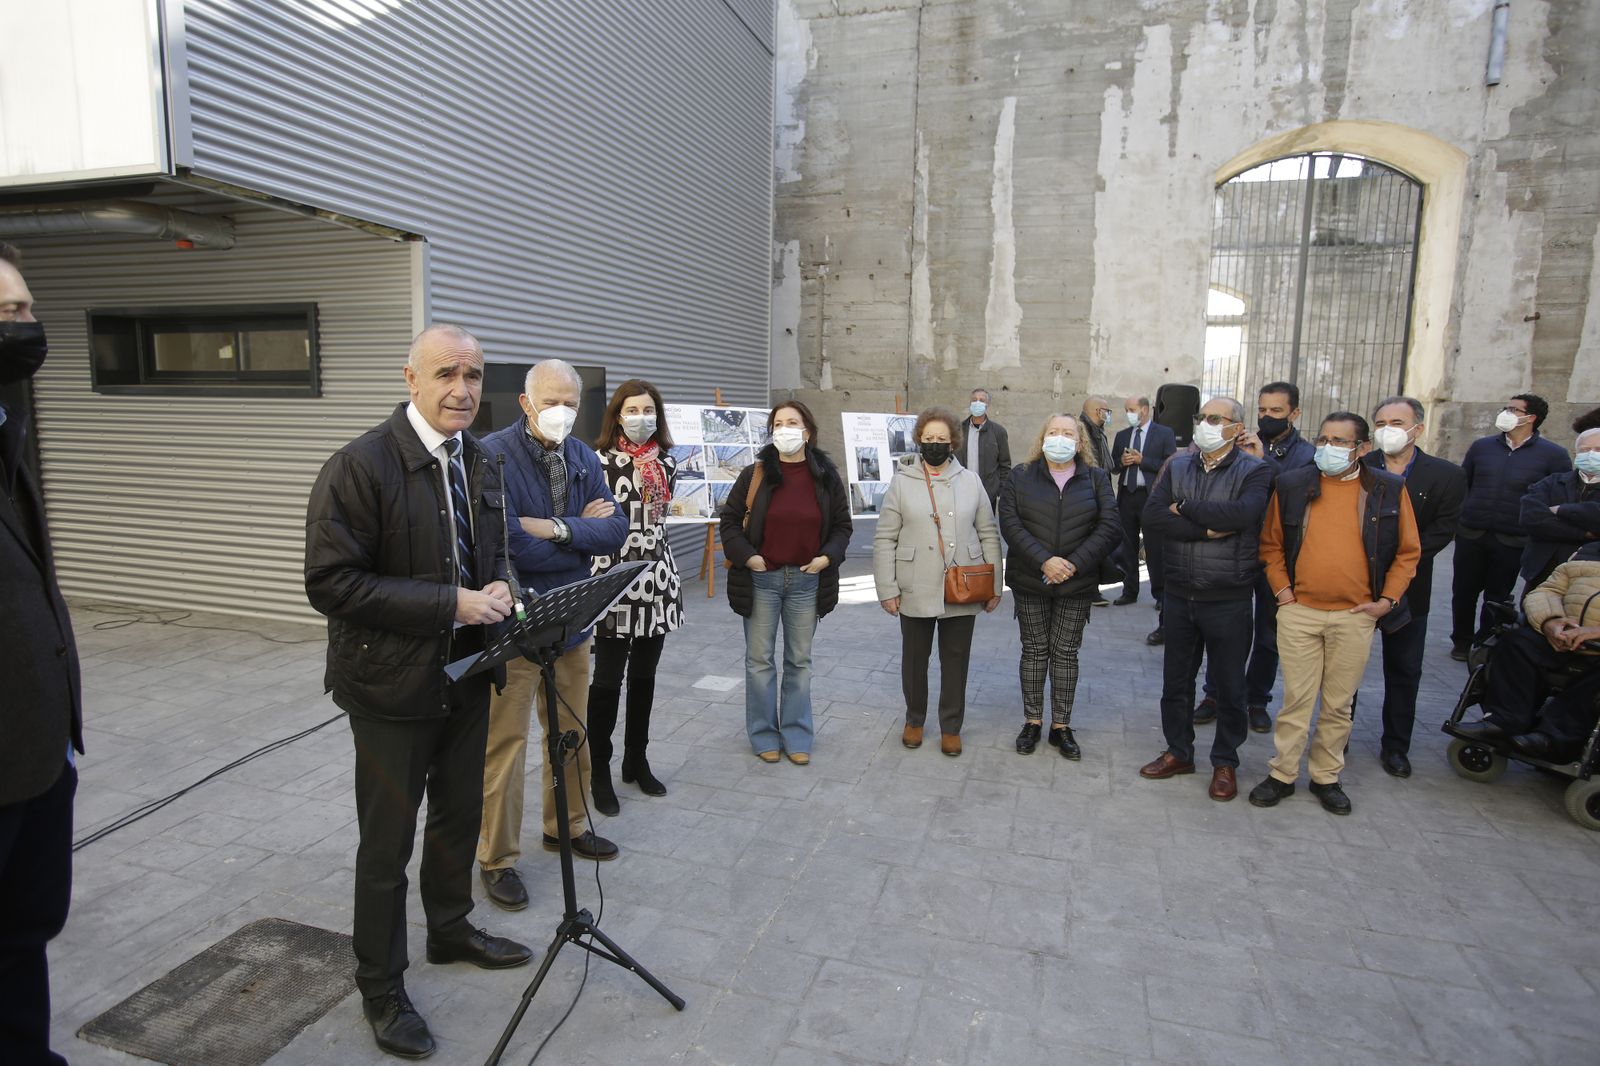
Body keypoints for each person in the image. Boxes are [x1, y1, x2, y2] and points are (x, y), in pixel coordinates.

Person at [305, 324, 532, 1059]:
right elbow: (332, 583)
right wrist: (451, 604)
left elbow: (495, 551)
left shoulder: (481, 460)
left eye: (472, 375)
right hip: (389, 690)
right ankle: (381, 985)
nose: (462, 389)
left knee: (458, 817)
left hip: (469, 675)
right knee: (387, 844)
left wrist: (502, 587)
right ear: (410, 378)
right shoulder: (360, 467)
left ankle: (450, 929)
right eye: (445, 374)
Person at [478, 359, 629, 900]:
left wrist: (556, 527)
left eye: (571, 402)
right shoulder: (492, 455)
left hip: (572, 618)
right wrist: (576, 533)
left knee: (571, 730)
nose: (562, 413)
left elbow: (614, 530)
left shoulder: (584, 456)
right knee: (507, 743)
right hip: (515, 623)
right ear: (526, 403)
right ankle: (496, 858)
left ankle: (566, 827)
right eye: (551, 402)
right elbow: (501, 541)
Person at [1249, 413, 1420, 816]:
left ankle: (1326, 776)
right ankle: (1282, 774)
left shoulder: (1387, 489)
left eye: (1340, 442)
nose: (1328, 448)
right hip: (1300, 612)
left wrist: (1386, 602)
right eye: (1324, 439)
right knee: (1296, 701)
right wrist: (1283, 592)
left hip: (1355, 615)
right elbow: (1271, 544)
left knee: (1339, 704)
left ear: (1362, 449)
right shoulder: (1292, 485)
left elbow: (1408, 552)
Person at [0, 245, 82, 1066]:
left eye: (24, 309)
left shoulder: (13, 423)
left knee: (26, 933)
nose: (25, 327)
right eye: (5, 314)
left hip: (38, 749)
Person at [1137, 397, 1273, 800]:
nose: (1205, 424)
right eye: (1202, 417)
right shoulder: (1178, 465)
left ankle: (1225, 762)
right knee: (1175, 682)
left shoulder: (1255, 470)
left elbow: (1242, 516)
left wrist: (1187, 508)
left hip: (1228, 596)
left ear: (1237, 427)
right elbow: (1153, 516)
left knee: (1231, 686)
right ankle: (1178, 751)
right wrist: (1204, 528)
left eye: (1216, 418)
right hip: (1179, 593)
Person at [720, 401, 852, 764]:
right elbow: (730, 522)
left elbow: (842, 525)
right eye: (778, 423)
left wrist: (827, 557)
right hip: (763, 580)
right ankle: (763, 734)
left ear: (807, 430)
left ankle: (796, 734)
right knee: (760, 661)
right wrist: (750, 556)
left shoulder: (825, 476)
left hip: (807, 582)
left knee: (799, 662)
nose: (785, 429)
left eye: (792, 422)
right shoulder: (755, 474)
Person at [875, 408, 1004, 757]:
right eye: (928, 439)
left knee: (956, 659)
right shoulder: (902, 481)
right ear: (919, 440)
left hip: (962, 585)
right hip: (914, 584)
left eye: (941, 439)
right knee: (914, 659)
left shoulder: (971, 481)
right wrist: (887, 588)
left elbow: (989, 533)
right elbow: (885, 537)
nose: (934, 444)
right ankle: (914, 719)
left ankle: (951, 726)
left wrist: (995, 584)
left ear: (953, 443)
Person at [1195, 381, 1318, 733]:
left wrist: (1262, 464)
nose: (1267, 417)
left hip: (1276, 554)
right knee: (1224, 628)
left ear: (1294, 414)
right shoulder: (1237, 442)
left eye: (1276, 411)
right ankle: (1214, 694)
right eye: (1262, 410)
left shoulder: (1306, 454)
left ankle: (1256, 699)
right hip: (1234, 549)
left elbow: (1299, 495)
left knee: (1268, 632)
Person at [586, 379, 684, 815]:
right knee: (607, 679)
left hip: (657, 579)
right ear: (617, 414)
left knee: (645, 677)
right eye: (633, 409)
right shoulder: (596, 462)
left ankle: (636, 759)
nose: (642, 417)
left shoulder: (668, 462)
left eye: (649, 410)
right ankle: (600, 770)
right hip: (612, 577)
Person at [997, 413, 1119, 759]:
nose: (1061, 438)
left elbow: (1110, 526)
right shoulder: (1020, 476)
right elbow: (1010, 523)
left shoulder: (1095, 478)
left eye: (1068, 433)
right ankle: (1032, 721)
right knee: (1034, 651)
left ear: (1080, 443)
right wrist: (1044, 561)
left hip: (1075, 583)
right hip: (1030, 579)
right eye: (1054, 432)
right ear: (1043, 438)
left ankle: (1061, 726)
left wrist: (1073, 564)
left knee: (1065, 654)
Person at [1359, 397, 1466, 778]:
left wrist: (1399, 560)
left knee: (1404, 670)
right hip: (1356, 586)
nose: (1388, 428)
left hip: (1408, 589)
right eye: (1381, 420)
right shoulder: (1360, 467)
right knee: (1345, 671)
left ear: (1417, 428)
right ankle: (1335, 739)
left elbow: (1442, 529)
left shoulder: (1446, 476)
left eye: (1397, 421)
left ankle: (1395, 747)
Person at [1450, 394, 1569, 660]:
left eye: (1514, 409)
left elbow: (1556, 495)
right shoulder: (1482, 447)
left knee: (1498, 594)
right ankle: (1461, 641)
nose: (1506, 412)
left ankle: (1484, 642)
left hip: (1513, 538)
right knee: (1464, 591)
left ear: (1531, 418)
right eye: (1506, 407)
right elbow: (1463, 483)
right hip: (1472, 531)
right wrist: (1460, 519)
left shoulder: (1553, 455)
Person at [1455, 544, 1600, 762]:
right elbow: (1547, 591)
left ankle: (1553, 739)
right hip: (1562, 637)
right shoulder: (1588, 552)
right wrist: (1551, 622)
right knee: (1517, 642)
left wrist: (1595, 631)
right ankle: (1504, 722)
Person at [1109, 395, 1176, 635]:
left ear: (1145, 410)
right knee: (1126, 545)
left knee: (1154, 547)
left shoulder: (1163, 433)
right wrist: (1123, 461)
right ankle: (1130, 590)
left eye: (1133, 409)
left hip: (1151, 497)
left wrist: (1143, 460)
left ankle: (1159, 594)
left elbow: (1170, 464)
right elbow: (1113, 466)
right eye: (1127, 409)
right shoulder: (1122, 435)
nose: (1129, 413)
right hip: (1127, 495)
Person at [1517, 428, 1600, 591]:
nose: (1591, 454)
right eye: (1585, 449)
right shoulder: (1552, 482)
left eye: (1598, 450)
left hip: (1591, 576)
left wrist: (1562, 510)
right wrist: (1583, 533)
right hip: (1543, 570)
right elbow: (1531, 518)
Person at [961, 387, 1012, 509]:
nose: (977, 403)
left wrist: (998, 491)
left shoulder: (998, 432)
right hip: (961, 492)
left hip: (987, 495)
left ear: (987, 405)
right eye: (974, 400)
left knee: (986, 527)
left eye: (982, 400)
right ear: (970, 403)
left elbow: (1005, 465)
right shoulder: (959, 430)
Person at [1080, 396, 1114, 472]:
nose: (1109, 415)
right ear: (1099, 412)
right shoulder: (1082, 432)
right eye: (1107, 411)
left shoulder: (1100, 432)